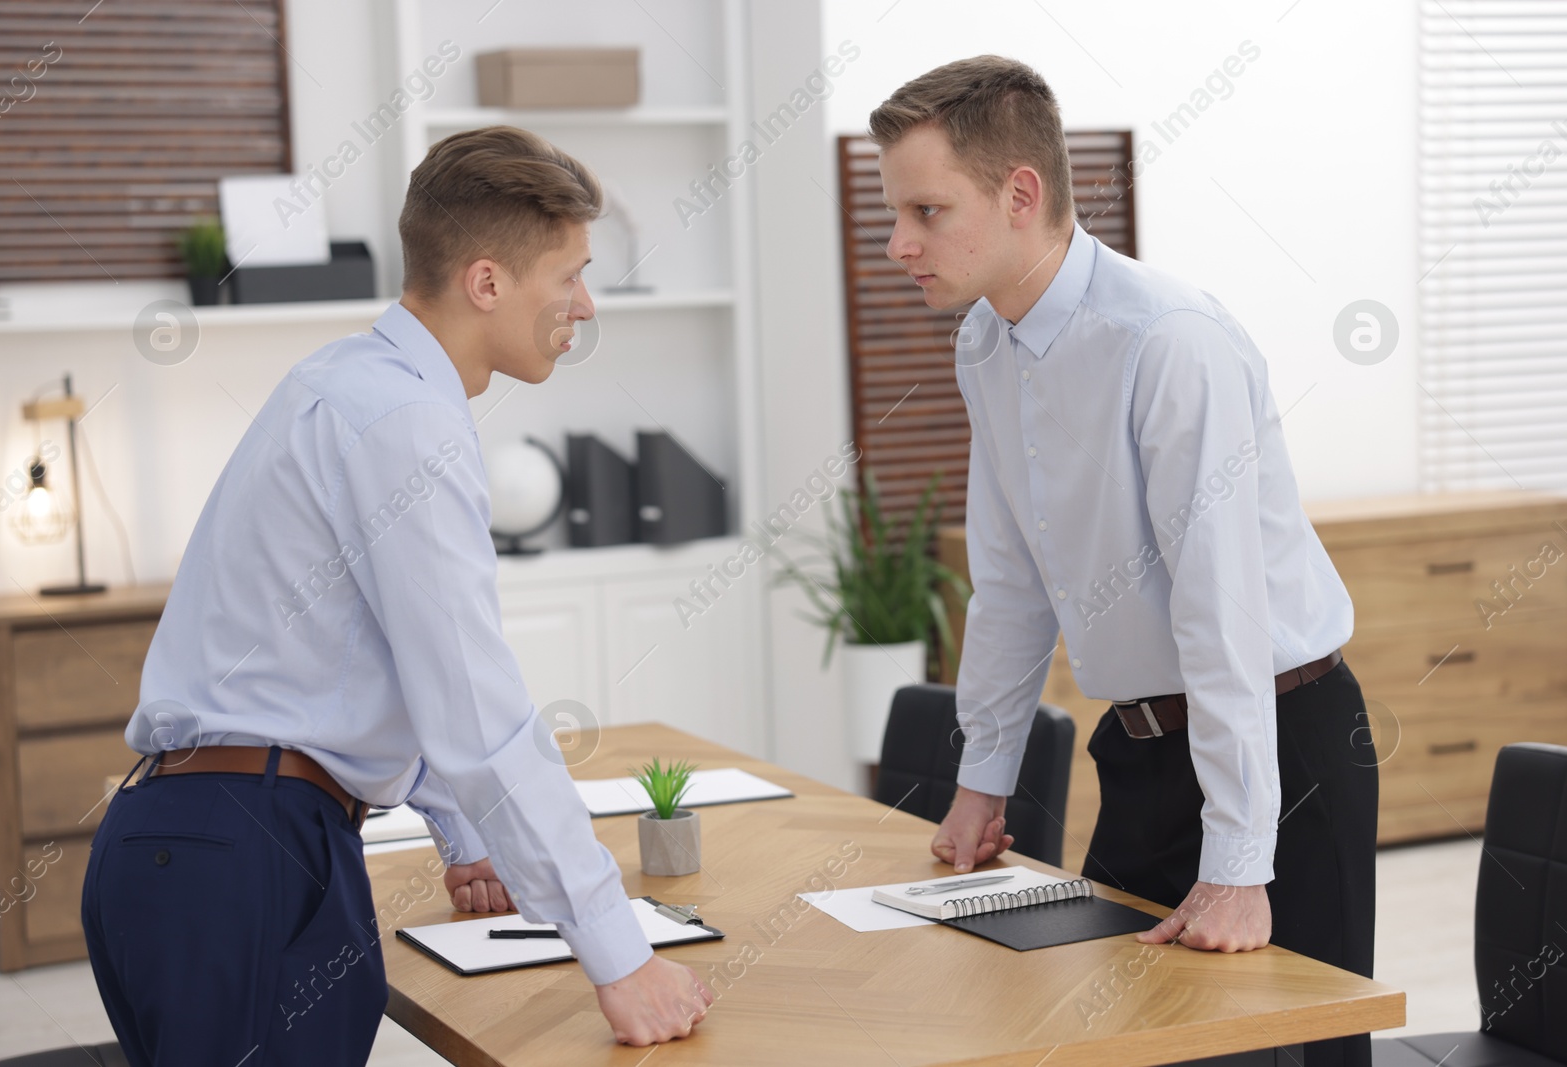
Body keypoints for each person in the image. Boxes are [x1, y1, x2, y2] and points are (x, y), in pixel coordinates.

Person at [80, 125, 714, 1064]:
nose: (584, 303)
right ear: (488, 283)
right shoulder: (408, 424)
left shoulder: (345, 382)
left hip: (199, 845)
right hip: (247, 856)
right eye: (570, 275)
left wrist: (463, 832)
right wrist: (620, 957)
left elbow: (365, 657)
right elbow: (477, 708)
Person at [869, 58, 1376, 1067]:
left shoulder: (1168, 342)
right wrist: (983, 777)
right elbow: (1009, 579)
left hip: (1281, 737)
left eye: (926, 210)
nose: (897, 243)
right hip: (1144, 747)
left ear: (1021, 193)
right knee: (1114, 1039)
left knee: (1292, 1052)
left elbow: (1221, 612)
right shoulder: (985, 343)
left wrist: (1239, 861)